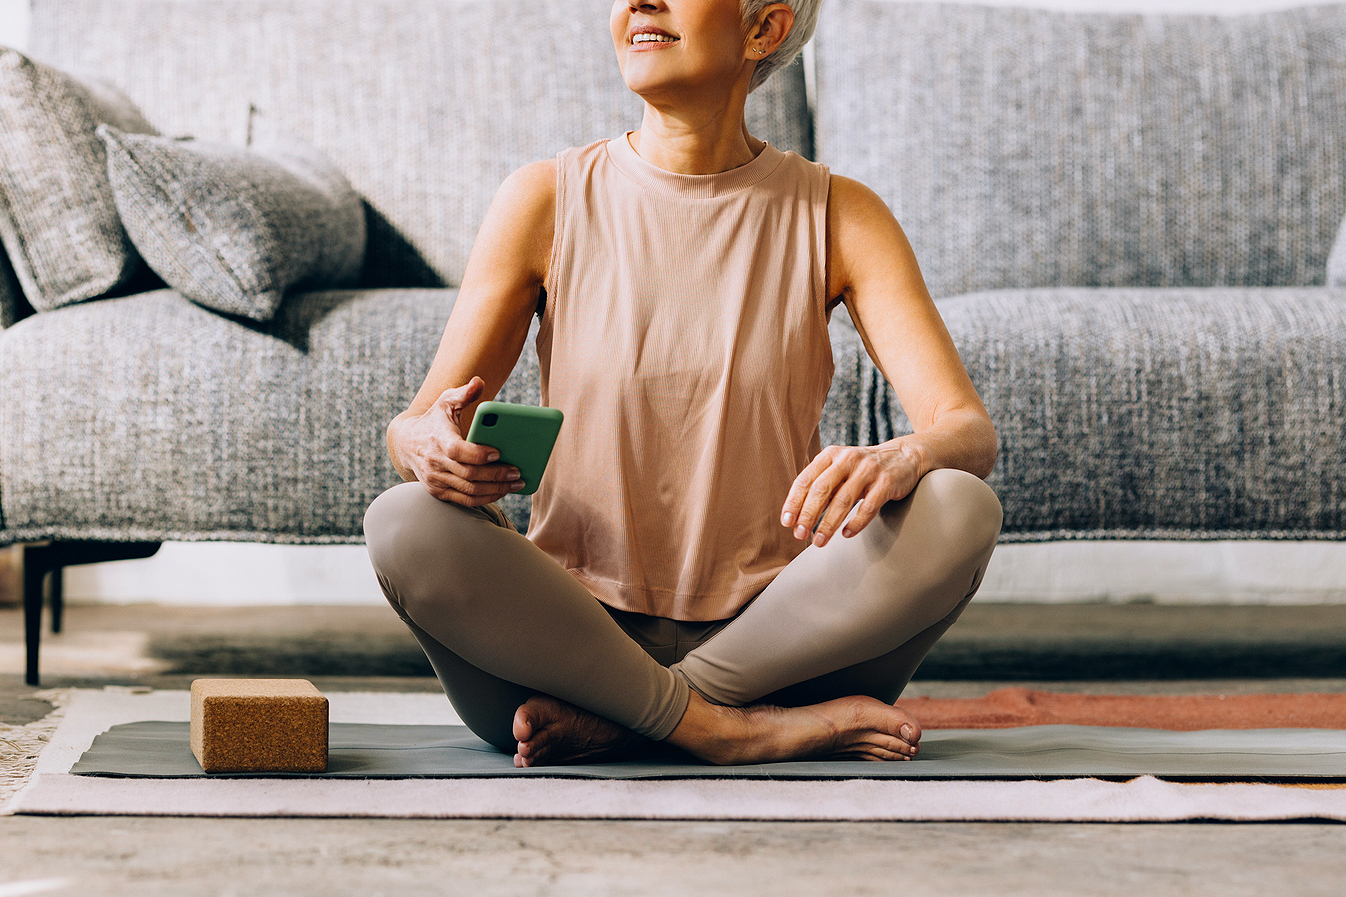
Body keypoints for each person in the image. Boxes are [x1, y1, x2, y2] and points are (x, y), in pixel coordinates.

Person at [363, 0, 1002, 767]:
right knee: (404, 522)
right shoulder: (543, 198)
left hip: (782, 646)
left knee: (959, 503)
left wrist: (904, 456)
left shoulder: (841, 213)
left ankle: (647, 720)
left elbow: (966, 429)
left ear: (762, 30)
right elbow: (419, 425)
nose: (638, 1)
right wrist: (422, 441)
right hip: (565, 653)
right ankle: (728, 730)